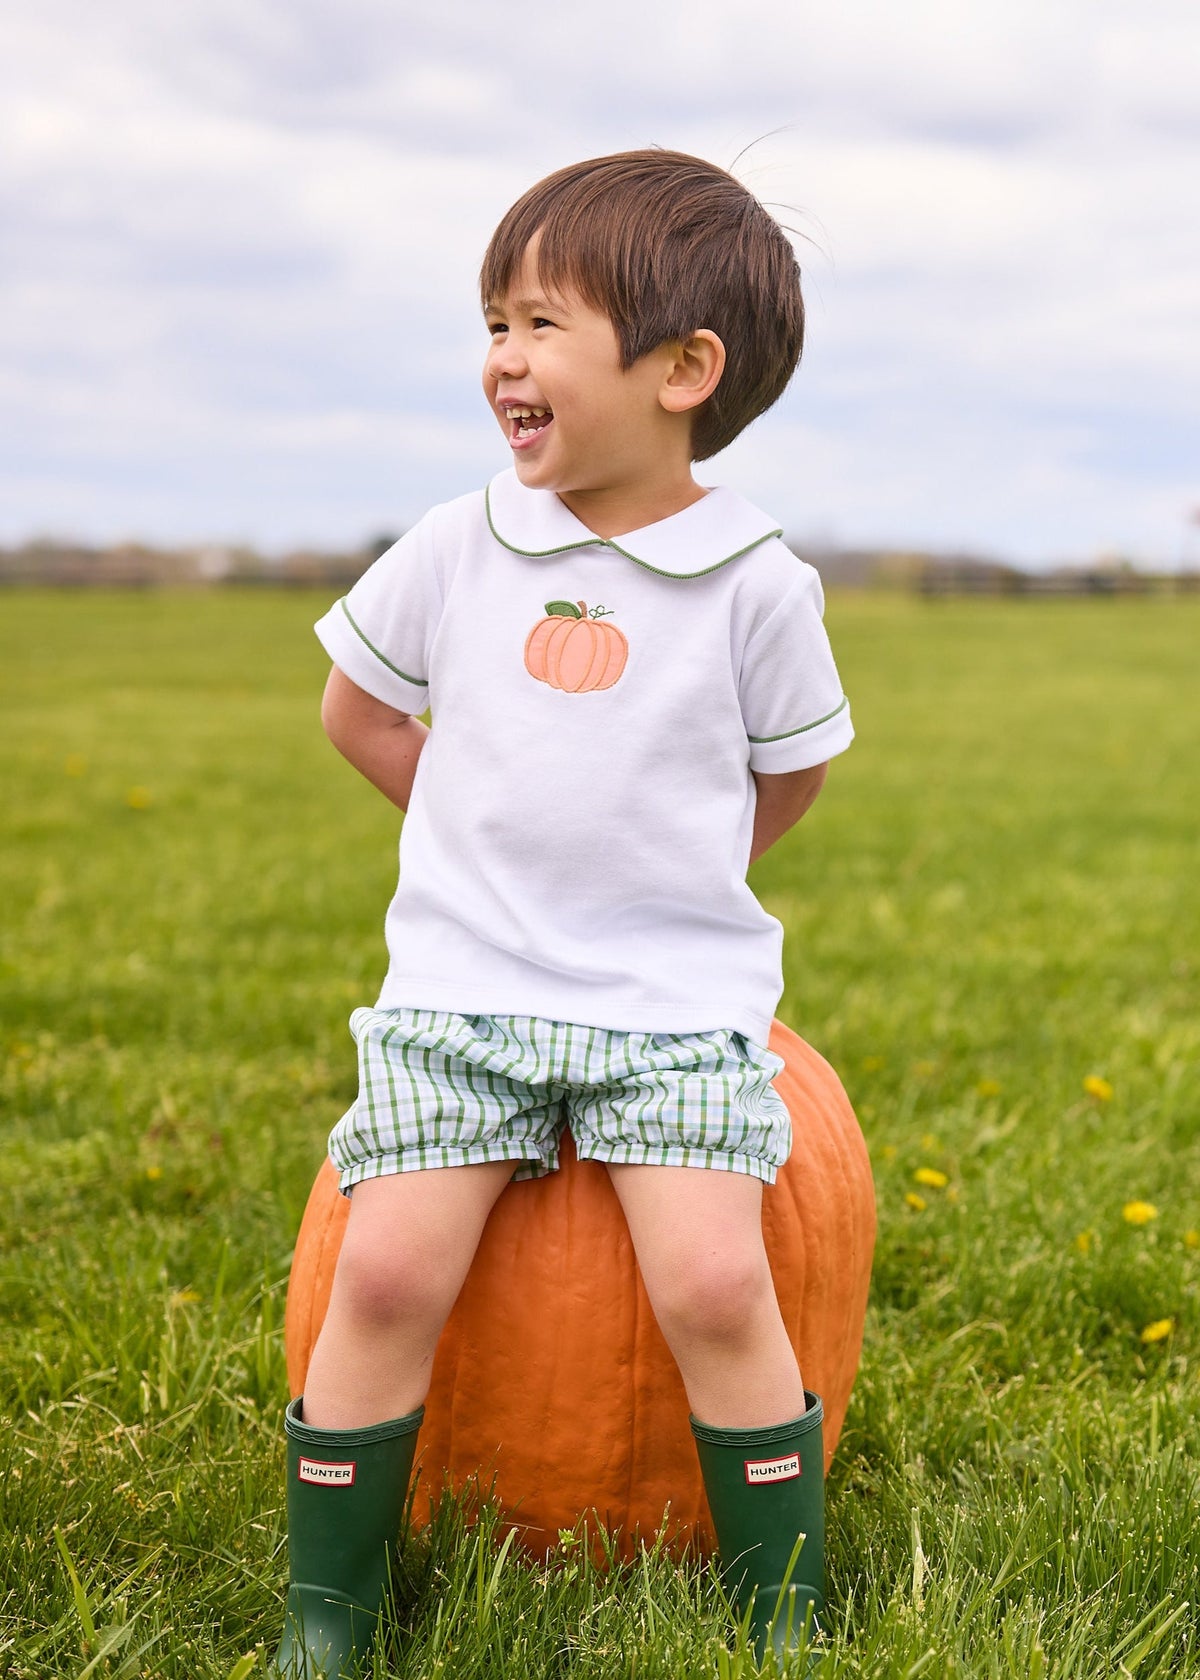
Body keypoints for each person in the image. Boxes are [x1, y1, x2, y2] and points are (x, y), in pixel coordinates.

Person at [274, 148, 854, 1678]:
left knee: (721, 1282)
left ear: (684, 370)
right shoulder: (461, 543)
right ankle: (324, 1612)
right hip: (465, 992)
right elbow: (357, 710)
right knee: (385, 1268)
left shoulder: (754, 584)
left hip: (669, 1006)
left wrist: (663, 881)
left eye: (539, 325)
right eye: (492, 323)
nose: (501, 361)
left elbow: (782, 779)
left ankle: (779, 1610)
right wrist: (478, 841)